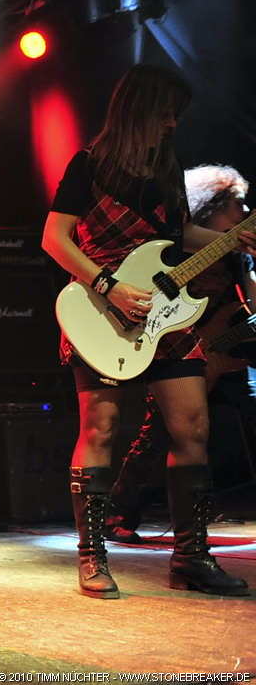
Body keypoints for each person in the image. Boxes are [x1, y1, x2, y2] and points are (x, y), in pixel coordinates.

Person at [41, 64, 251, 599]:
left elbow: (177, 235)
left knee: (193, 426)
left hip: (167, 311)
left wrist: (235, 238)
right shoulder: (89, 164)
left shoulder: (167, 168)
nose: (172, 123)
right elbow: (55, 238)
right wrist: (107, 284)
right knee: (102, 429)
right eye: (166, 113)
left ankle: (192, 559)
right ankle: (92, 558)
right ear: (140, 109)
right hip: (100, 309)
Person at [106, 165, 256, 543]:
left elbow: (250, 304)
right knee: (154, 437)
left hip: (226, 356)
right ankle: (117, 514)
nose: (245, 210)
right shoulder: (182, 248)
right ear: (213, 205)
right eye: (238, 203)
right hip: (181, 348)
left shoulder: (240, 256)